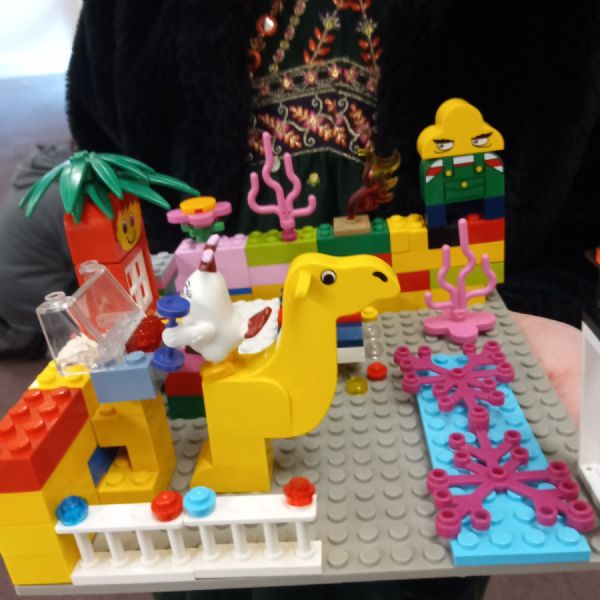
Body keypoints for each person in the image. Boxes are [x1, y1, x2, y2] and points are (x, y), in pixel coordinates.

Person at [0, 1, 597, 594]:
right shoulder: (135, 23)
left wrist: (539, 311)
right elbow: (116, 160)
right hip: (212, 422)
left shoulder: (546, 34)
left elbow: (571, 217)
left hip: (415, 463)